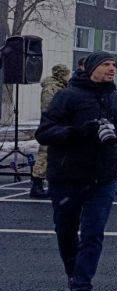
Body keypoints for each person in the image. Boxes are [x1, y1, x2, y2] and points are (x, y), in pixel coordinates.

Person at [35, 52, 117, 291]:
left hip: (103, 179)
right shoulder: (67, 96)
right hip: (68, 178)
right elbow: (44, 133)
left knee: (93, 232)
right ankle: (74, 276)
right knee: (66, 231)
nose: (112, 69)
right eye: (106, 64)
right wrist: (78, 132)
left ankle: (81, 289)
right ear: (90, 68)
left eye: (114, 65)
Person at [30, 63, 71, 198]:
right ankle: (37, 185)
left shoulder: (61, 87)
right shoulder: (51, 88)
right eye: (66, 74)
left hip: (58, 126)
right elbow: (48, 108)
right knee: (44, 154)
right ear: (61, 74)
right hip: (50, 126)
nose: (68, 76)